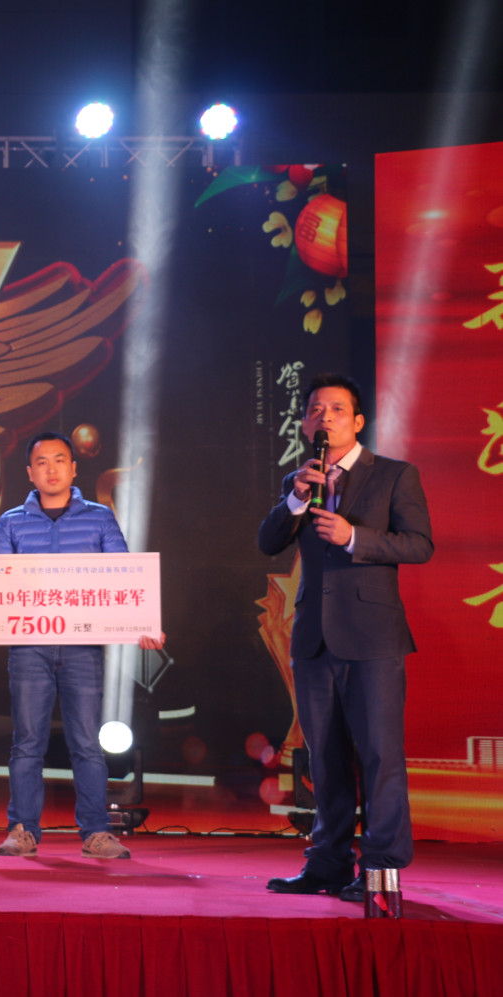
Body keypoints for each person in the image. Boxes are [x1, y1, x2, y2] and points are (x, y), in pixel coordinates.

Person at [258, 374, 433, 901]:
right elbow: (269, 541)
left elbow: (419, 544)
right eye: (316, 409)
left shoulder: (395, 475)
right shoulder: (301, 480)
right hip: (313, 638)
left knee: (379, 755)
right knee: (325, 758)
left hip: (373, 639)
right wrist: (295, 499)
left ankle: (379, 868)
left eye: (336, 409)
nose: (325, 417)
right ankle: (328, 863)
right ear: (304, 423)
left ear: (357, 421)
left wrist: (354, 536)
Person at [0, 430, 164, 860]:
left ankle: (96, 832)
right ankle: (22, 830)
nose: (51, 469)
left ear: (73, 469)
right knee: (27, 743)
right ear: (29, 472)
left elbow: (125, 578)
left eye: (59, 460)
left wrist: (145, 625)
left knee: (87, 743)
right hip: (28, 648)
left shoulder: (99, 518)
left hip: (82, 648)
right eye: (42, 462)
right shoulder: (12, 521)